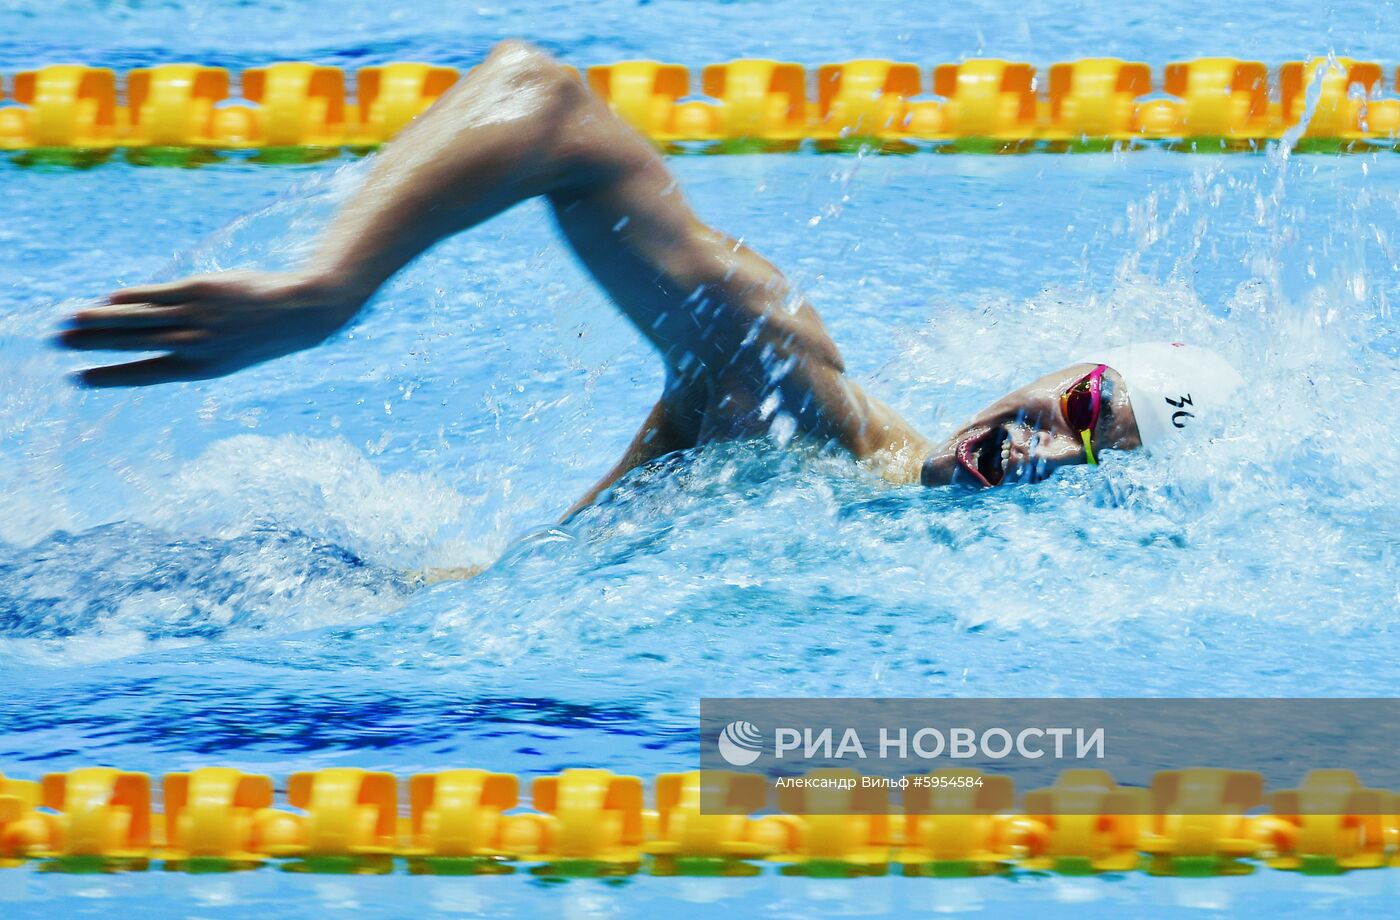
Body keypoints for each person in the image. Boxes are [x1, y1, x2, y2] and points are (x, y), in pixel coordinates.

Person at [60, 42, 1243, 517]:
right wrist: (325, 290)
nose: (1048, 441)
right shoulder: (800, 414)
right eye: (1082, 404)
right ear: (1050, 371)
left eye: (1096, 458)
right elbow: (548, 108)